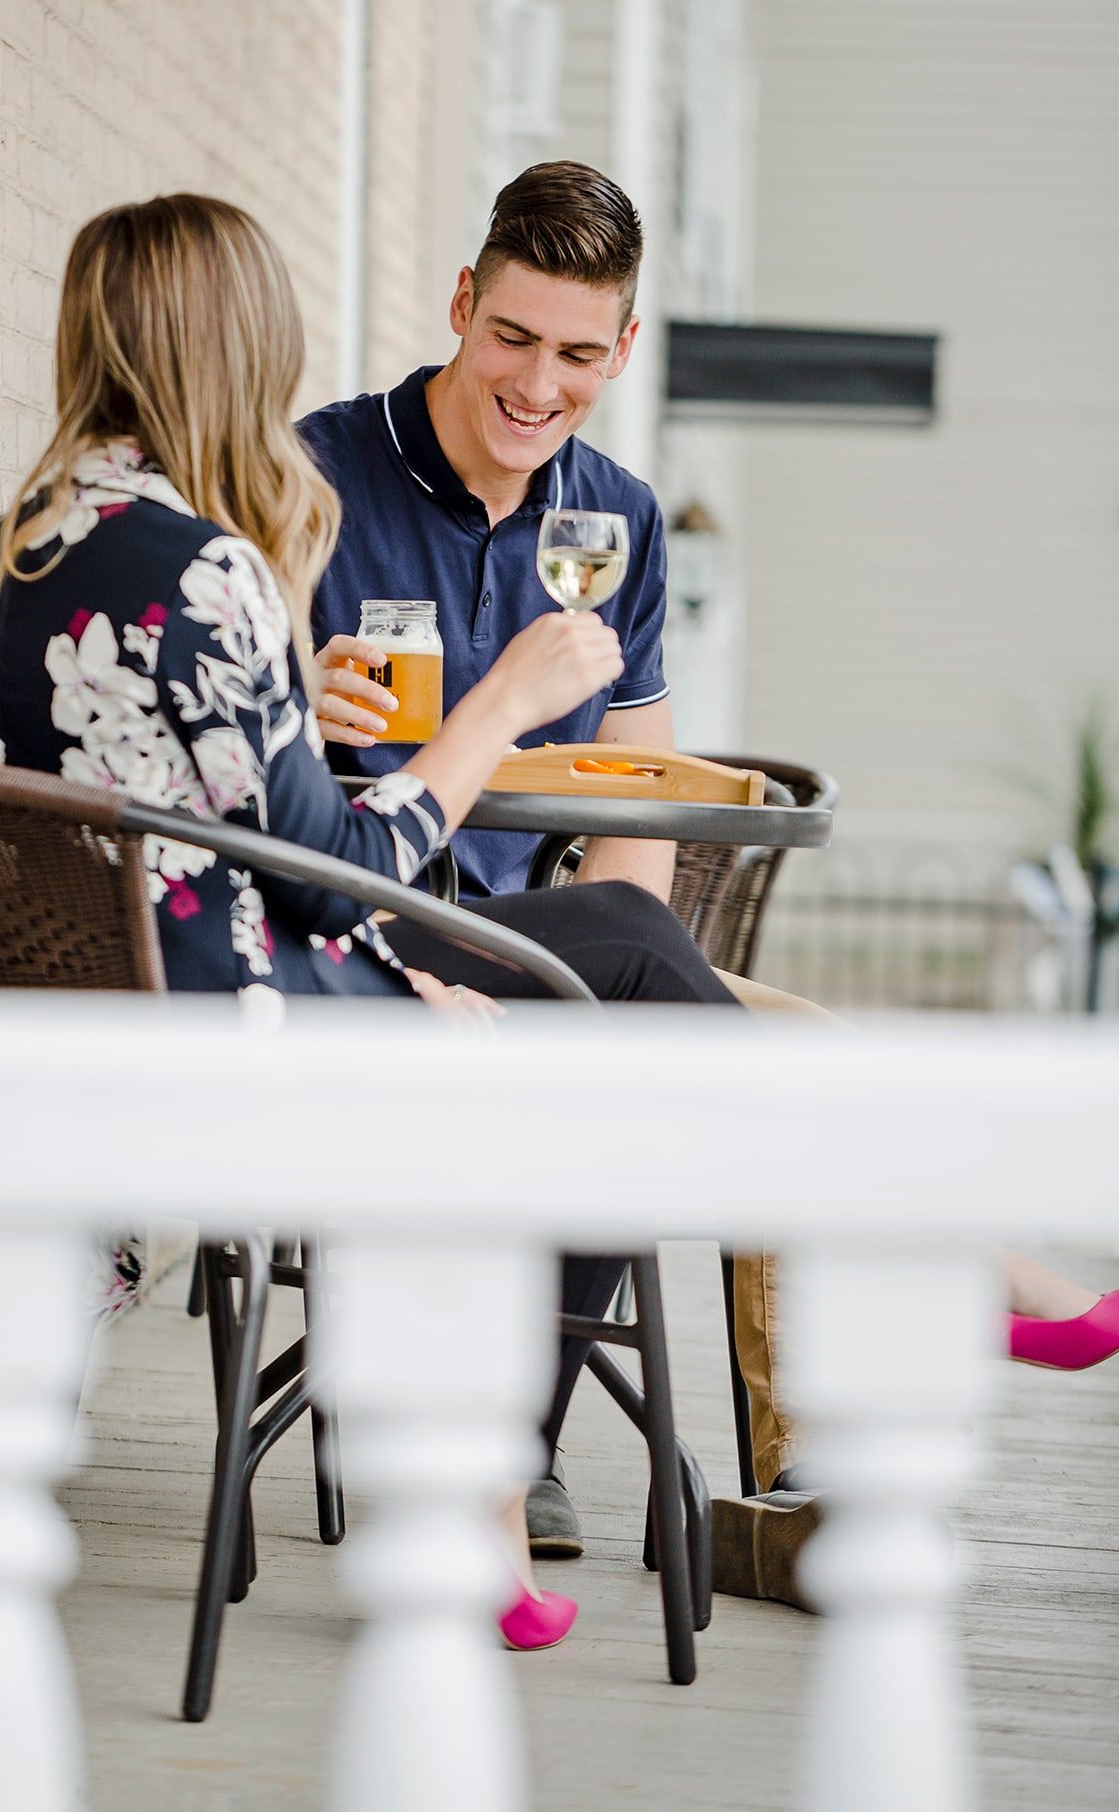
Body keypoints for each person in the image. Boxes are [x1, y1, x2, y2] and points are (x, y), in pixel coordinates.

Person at [297, 160, 1119, 1606]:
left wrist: (596, 976)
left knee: (732, 1019)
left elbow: (641, 802)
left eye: (573, 354)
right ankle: (943, 1240)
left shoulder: (612, 517)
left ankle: (579, 1461)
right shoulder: (318, 477)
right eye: (510, 338)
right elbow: (238, 764)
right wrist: (318, 705)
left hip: (537, 943)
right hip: (367, 935)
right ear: (461, 308)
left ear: (620, 353)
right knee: (642, 976)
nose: (534, 387)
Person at [0, 191, 735, 1650]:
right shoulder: (209, 563)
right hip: (225, 1019)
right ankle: (475, 1491)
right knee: (608, 968)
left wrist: (308, 737)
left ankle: (477, 1496)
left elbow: (172, 798)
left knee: (592, 964)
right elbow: (327, 862)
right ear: (240, 351)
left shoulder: (2, 551)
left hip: (79, 1015)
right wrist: (492, 715)